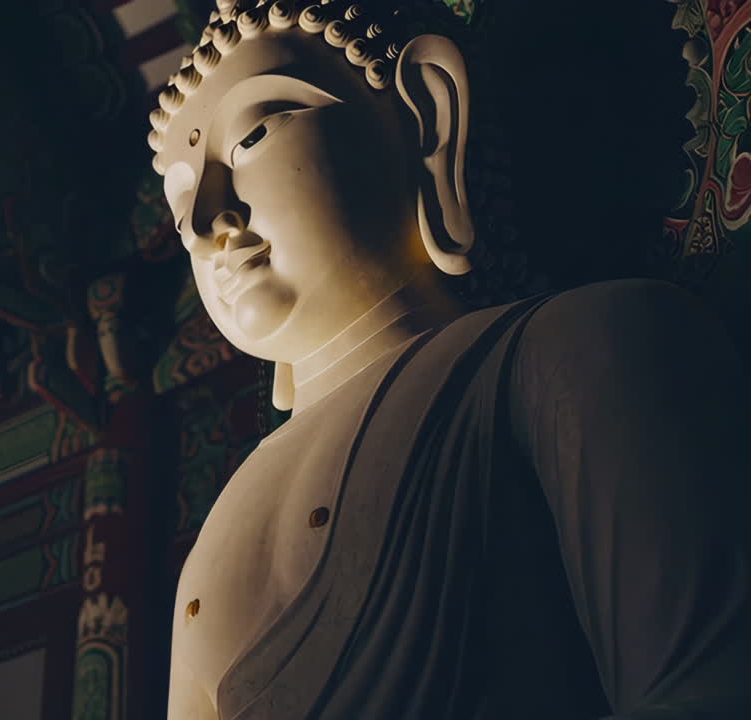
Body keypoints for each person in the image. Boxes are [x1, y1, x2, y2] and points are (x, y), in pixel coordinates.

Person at [149, 0, 751, 718]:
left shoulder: (570, 349)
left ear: (431, 117)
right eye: (180, 198)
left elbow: (703, 690)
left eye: (253, 133)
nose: (209, 218)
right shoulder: (211, 542)